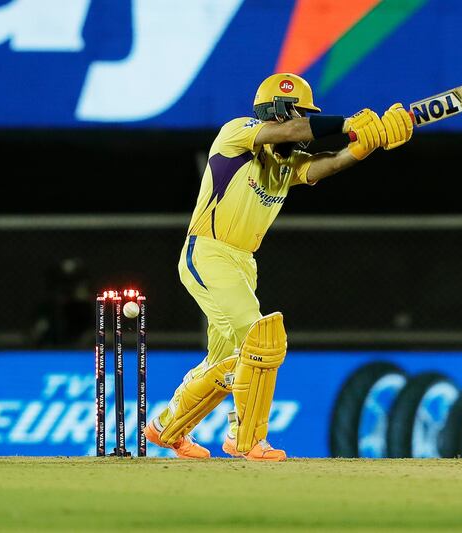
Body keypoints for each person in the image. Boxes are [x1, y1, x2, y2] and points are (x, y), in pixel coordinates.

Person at [144, 73, 413, 461]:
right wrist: (348, 125)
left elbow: (327, 165)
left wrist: (366, 144)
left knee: (226, 361)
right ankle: (246, 439)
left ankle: (167, 428)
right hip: (209, 252)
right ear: (279, 110)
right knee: (261, 339)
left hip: (243, 262)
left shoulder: (286, 166)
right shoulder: (237, 134)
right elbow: (297, 130)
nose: (304, 128)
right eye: (300, 114)